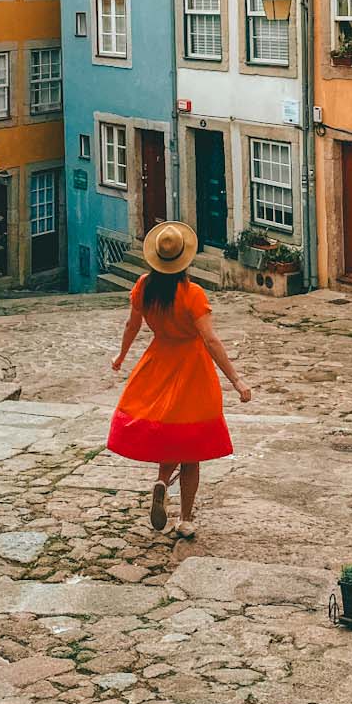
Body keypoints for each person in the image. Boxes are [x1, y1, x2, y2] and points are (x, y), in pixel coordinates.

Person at [107, 220, 251, 537]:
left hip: (157, 363)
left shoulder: (144, 286)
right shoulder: (193, 294)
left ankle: (162, 481)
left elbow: (132, 327)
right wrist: (237, 380)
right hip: (191, 369)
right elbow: (211, 341)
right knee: (192, 449)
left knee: (168, 434)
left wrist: (120, 357)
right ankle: (185, 519)